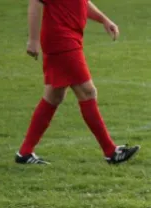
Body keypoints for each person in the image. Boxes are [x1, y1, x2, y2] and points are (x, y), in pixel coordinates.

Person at [17, 0, 140, 165]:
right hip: (61, 39)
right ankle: (110, 152)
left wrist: (104, 19)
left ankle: (24, 153)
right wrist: (32, 40)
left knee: (54, 96)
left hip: (70, 37)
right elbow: (35, 2)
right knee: (87, 91)